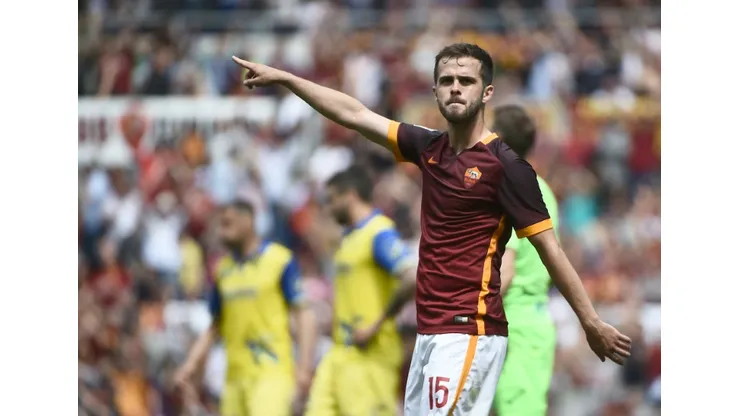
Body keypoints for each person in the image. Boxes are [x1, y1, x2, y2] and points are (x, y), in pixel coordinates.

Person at [232, 42, 631, 415]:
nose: (455, 88)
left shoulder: (507, 167)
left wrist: (590, 322)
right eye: (447, 80)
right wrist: (287, 79)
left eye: (466, 81)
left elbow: (550, 250)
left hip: (469, 330)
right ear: (435, 91)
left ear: (486, 93)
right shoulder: (428, 149)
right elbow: (354, 114)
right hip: (429, 332)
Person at [174, 200, 317, 416]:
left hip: (271, 375)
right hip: (234, 380)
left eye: (228, 224)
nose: (222, 232)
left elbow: (303, 314)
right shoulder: (223, 270)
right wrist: (190, 365)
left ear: (248, 221)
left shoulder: (279, 260)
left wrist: (304, 368)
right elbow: (215, 326)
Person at [304, 165, 417, 415]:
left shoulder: (378, 233)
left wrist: (376, 323)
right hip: (340, 353)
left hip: (371, 355)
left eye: (332, 200)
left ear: (350, 195)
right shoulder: (349, 238)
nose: (328, 208)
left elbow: (410, 277)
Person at [490, 105, 558, 416]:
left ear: (500, 139)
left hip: (514, 322)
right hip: (528, 321)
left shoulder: (514, 188)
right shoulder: (542, 188)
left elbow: (507, 270)